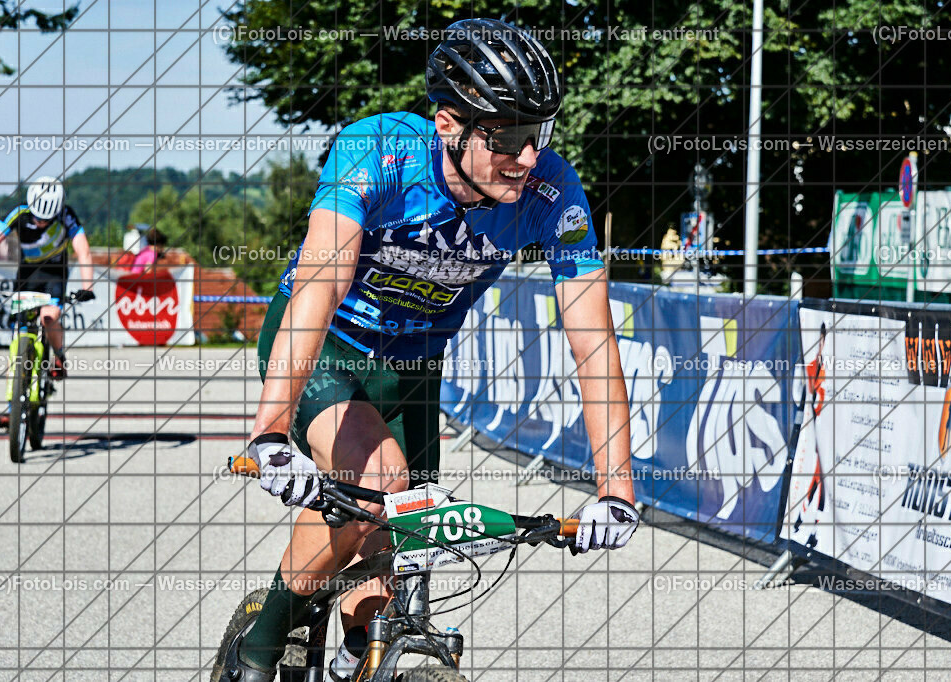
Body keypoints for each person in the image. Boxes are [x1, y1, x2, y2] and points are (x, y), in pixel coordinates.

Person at [213, 18, 639, 681]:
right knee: (378, 481)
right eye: (508, 137)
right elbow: (320, 288)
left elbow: (593, 340)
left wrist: (618, 489)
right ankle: (261, 642)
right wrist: (270, 432)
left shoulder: (551, 191)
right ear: (448, 124)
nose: (529, 159)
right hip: (326, 347)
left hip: (412, 370)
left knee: (392, 550)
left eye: (539, 134)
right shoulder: (377, 151)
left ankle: (355, 659)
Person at [0, 176, 96, 428]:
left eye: (45, 220)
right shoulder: (19, 213)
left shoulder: (66, 215)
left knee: (49, 316)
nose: (39, 222)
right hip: (27, 275)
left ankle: (58, 356)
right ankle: (12, 405)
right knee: (19, 334)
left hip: (55, 273)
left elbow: (83, 250)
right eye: (37, 217)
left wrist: (86, 286)